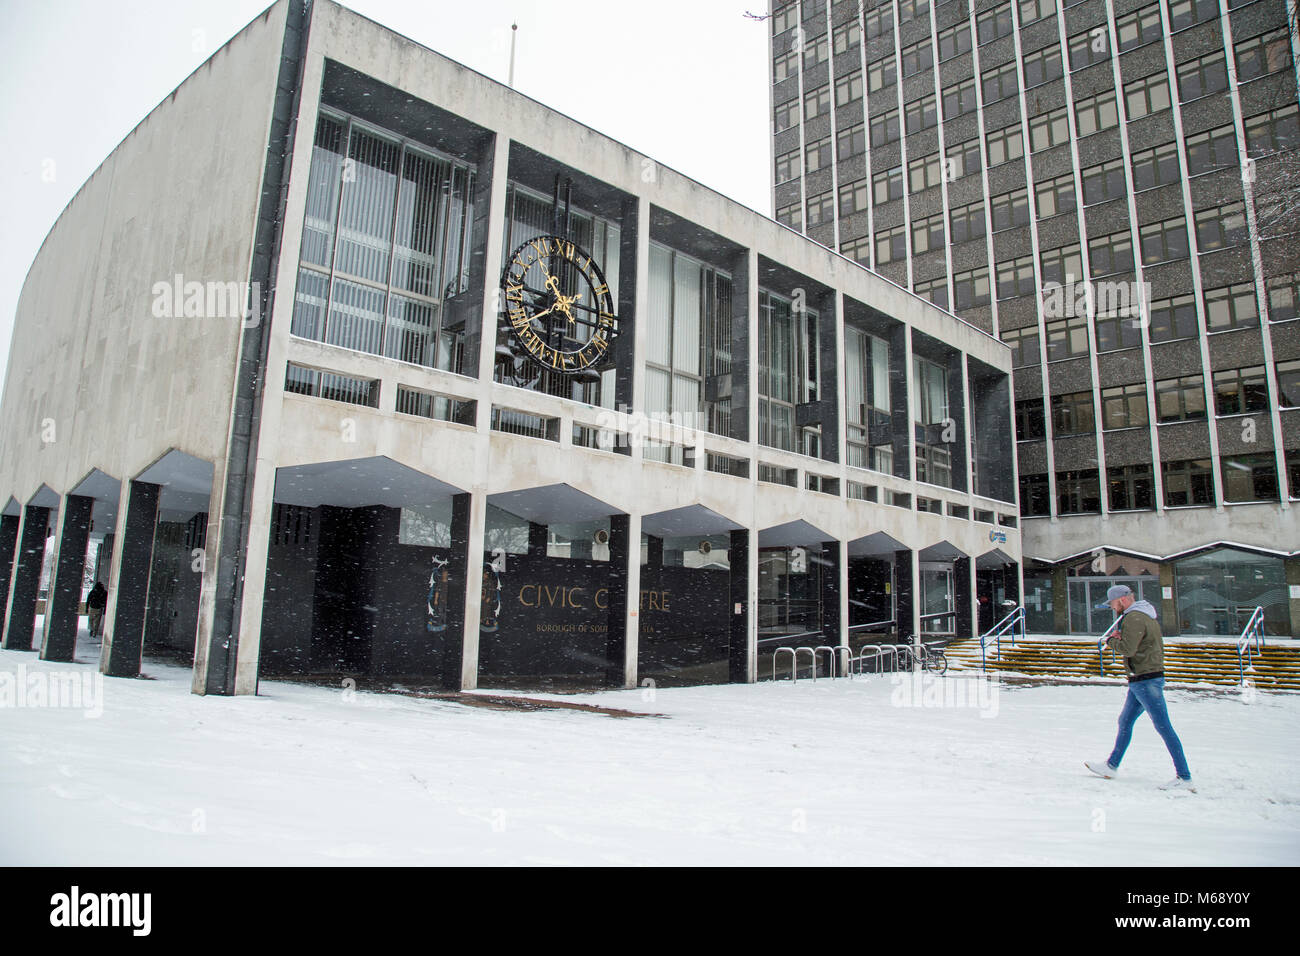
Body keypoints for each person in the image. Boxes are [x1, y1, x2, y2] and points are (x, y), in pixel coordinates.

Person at [1085, 584, 1194, 791]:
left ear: (1123, 600)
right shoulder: (1144, 615)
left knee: (1164, 727)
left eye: (1113, 603)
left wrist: (1111, 641)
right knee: (1125, 720)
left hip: (1146, 679)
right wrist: (1121, 638)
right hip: (1142, 679)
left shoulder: (1133, 618)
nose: (1112, 607)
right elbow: (1137, 643)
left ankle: (1184, 777)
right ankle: (1111, 765)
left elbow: (1128, 648)